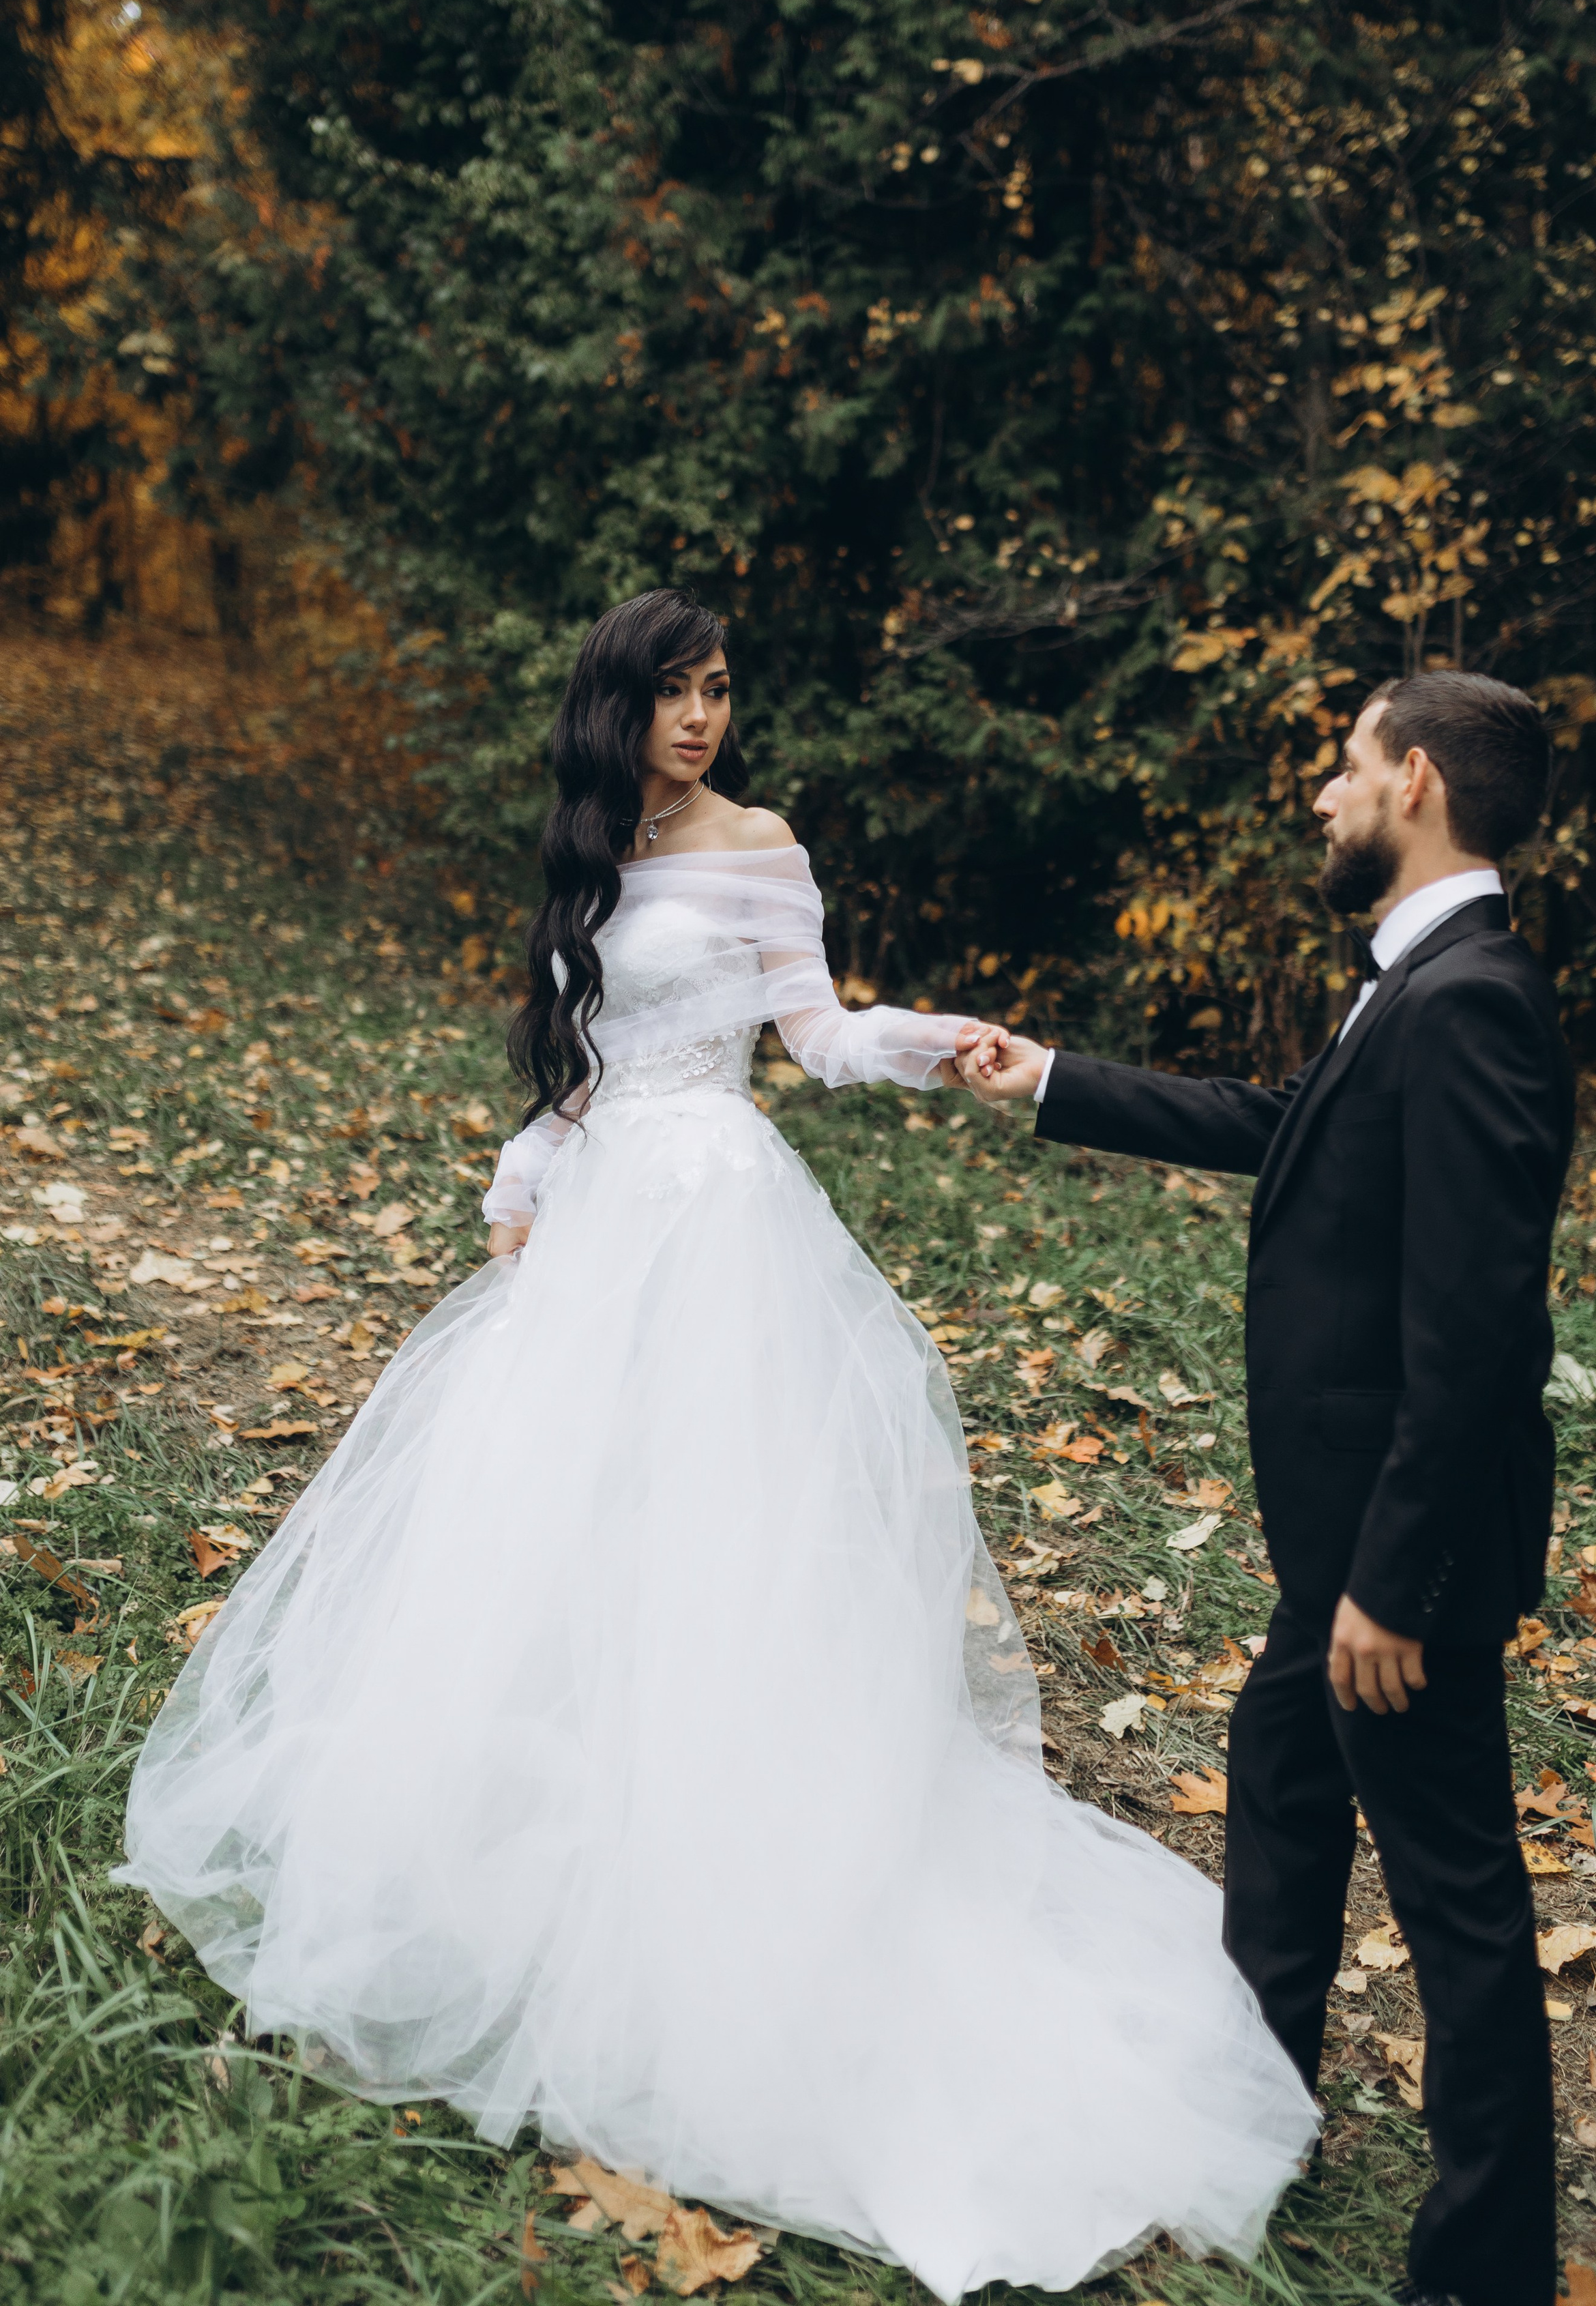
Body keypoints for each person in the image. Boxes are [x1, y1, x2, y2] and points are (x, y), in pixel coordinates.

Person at [117, 588, 1316, 2304]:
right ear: (620, 704)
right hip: (598, 1227)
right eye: (676, 692)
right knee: (549, 1540)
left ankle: (735, 1885)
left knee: (718, 1543)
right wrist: (522, 1180)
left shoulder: (763, 845)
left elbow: (807, 1035)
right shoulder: (590, 847)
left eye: (721, 690)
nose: (703, 717)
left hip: (721, 1224)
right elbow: (582, 1063)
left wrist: (926, 1042)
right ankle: (543, 1872)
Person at [966, 671, 1572, 2306]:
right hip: (1347, 1548)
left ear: (1418, 782)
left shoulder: (1469, 1005)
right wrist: (1048, 1080)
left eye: (1346, 762)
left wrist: (1389, 1579)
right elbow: (1285, 1125)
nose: (1322, 790)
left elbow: (1472, 1334)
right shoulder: (1420, 979)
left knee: (1455, 1901)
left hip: (1397, 1560)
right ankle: (1251, 2111)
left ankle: (1483, 2264)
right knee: (1284, 1803)